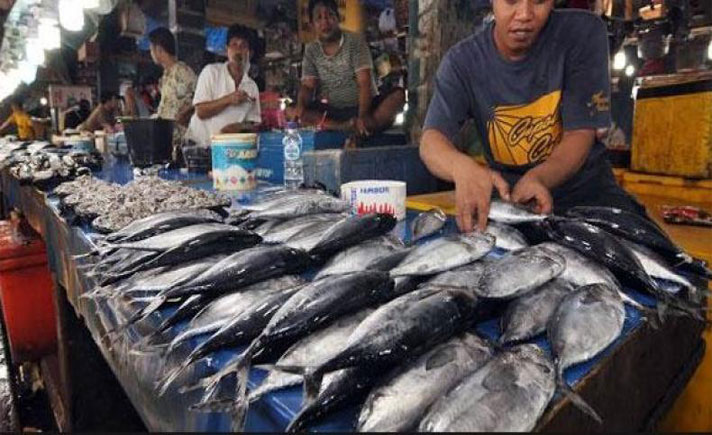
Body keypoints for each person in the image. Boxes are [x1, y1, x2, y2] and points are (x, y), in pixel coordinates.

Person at [419, 0, 645, 233]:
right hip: (513, 202)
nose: (525, 14)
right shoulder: (462, 63)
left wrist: (539, 178)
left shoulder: (581, 34)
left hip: (589, 192)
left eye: (539, 1)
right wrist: (461, 168)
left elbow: (580, 133)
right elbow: (431, 141)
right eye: (511, 1)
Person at [288, 0, 405, 136]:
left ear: (338, 18)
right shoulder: (311, 49)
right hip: (332, 112)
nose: (325, 21)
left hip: (364, 106)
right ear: (312, 24)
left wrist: (363, 115)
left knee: (398, 96)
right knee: (290, 110)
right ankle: (345, 127)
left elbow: (364, 83)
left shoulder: (355, 42)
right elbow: (308, 86)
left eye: (329, 15)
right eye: (319, 18)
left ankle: (363, 125)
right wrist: (300, 106)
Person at [186, 24, 261, 147]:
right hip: (199, 146)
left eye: (243, 46)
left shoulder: (252, 87)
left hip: (227, 149)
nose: (238, 50)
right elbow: (201, 112)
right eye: (234, 45)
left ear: (250, 53)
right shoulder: (211, 72)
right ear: (227, 50)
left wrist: (238, 127)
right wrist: (229, 99)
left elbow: (253, 124)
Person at [149, 27, 198, 148]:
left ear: (159, 49)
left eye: (151, 49)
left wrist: (183, 116)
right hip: (167, 140)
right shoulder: (166, 75)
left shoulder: (182, 71)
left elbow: (200, 101)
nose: (151, 53)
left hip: (182, 142)